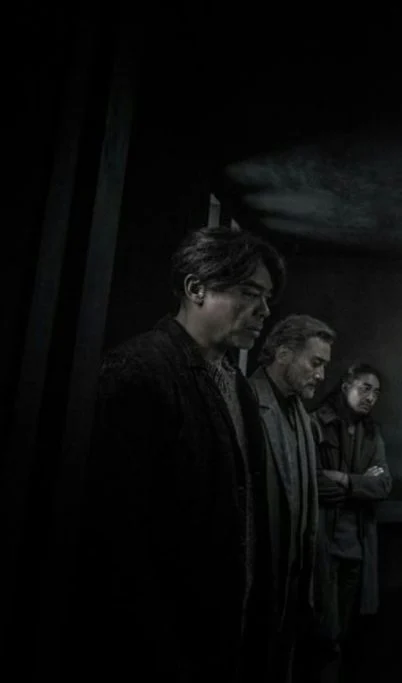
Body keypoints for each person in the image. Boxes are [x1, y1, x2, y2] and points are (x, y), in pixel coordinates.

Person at [71, 224, 286, 682]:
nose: (264, 310)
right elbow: (114, 536)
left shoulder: (239, 387)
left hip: (226, 630)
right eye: (249, 293)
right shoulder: (137, 371)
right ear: (196, 288)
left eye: (266, 297)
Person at [249, 314, 336, 682]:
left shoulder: (301, 413)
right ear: (283, 353)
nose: (321, 375)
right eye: (315, 363)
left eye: (323, 366)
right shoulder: (246, 403)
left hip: (295, 583)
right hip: (259, 582)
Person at [311, 362, 391, 683]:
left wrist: (345, 479)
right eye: (365, 388)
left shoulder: (372, 433)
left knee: (343, 633)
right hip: (322, 546)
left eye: (376, 392)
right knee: (321, 633)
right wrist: (361, 484)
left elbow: (383, 485)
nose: (371, 397)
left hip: (356, 548)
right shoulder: (316, 423)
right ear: (346, 386)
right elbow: (314, 483)